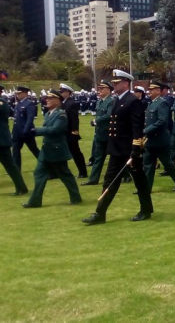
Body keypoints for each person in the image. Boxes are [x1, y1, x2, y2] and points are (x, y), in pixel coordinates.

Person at [82, 69, 153, 225]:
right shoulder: (117, 100)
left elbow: (137, 127)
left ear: (126, 83)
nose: (113, 85)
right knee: (110, 181)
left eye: (116, 82)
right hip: (116, 150)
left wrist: (136, 148)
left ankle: (146, 209)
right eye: (113, 83)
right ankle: (100, 213)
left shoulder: (132, 100)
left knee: (139, 181)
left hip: (128, 150)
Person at [22, 89, 83, 208]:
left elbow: (55, 129)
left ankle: (75, 197)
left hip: (56, 150)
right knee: (39, 174)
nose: (47, 100)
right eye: (47, 98)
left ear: (57, 101)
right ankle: (34, 201)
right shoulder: (48, 113)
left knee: (65, 175)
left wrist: (37, 131)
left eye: (50, 99)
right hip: (46, 150)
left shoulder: (61, 114)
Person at [143, 81, 175, 192]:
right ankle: (146, 188)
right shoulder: (151, 103)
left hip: (160, 139)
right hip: (151, 139)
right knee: (148, 164)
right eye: (149, 89)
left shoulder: (162, 103)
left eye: (152, 90)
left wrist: (146, 130)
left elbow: (162, 121)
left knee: (167, 163)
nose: (149, 92)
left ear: (158, 91)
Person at [82, 80, 115, 186]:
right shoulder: (100, 101)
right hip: (100, 133)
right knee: (98, 157)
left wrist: (96, 121)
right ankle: (93, 179)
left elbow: (109, 115)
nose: (99, 90)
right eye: (99, 88)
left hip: (109, 133)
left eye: (102, 88)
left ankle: (127, 174)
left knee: (116, 156)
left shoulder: (112, 101)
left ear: (109, 90)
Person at [59, 84, 88, 179]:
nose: (61, 93)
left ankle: (83, 172)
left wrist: (74, 132)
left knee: (76, 153)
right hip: (64, 132)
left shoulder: (72, 103)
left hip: (70, 133)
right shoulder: (64, 103)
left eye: (62, 91)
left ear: (68, 92)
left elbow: (75, 120)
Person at [12, 86, 40, 171]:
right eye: (17, 93)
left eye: (19, 93)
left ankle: (47, 164)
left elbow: (30, 118)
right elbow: (16, 119)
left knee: (34, 150)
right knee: (15, 150)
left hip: (26, 132)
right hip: (17, 132)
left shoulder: (29, 103)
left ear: (25, 93)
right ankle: (16, 169)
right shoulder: (19, 104)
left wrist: (25, 130)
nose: (17, 95)